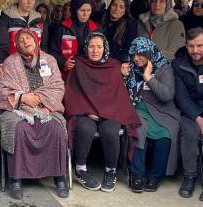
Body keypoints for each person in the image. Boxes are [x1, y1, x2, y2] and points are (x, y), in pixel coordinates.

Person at [0, 29, 68, 200]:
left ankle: (60, 178)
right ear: (16, 45)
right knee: (18, 130)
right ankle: (16, 180)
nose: (25, 41)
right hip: (18, 109)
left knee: (55, 129)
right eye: (21, 40)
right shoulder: (10, 62)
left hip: (45, 107)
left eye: (29, 38)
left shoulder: (49, 60)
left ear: (36, 40)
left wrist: (39, 98)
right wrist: (22, 97)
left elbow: (58, 86)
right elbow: (3, 89)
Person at [64, 32, 141, 192]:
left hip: (109, 111)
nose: (95, 50)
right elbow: (72, 92)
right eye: (91, 46)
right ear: (86, 48)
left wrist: (105, 110)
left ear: (105, 48)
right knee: (85, 128)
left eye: (99, 47)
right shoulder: (78, 64)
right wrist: (87, 111)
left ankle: (111, 171)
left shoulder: (114, 66)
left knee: (111, 130)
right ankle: (80, 169)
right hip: (84, 111)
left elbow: (117, 94)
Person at [122, 37, 180, 193]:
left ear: (150, 53)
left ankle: (155, 177)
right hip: (138, 108)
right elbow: (118, 91)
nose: (137, 58)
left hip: (163, 111)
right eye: (134, 54)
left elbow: (167, 95)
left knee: (165, 135)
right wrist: (121, 75)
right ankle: (137, 174)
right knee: (139, 130)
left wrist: (148, 78)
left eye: (141, 54)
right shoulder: (129, 68)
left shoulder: (164, 68)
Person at [173, 27, 203, 201]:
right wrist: (197, 117)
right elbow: (181, 96)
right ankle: (189, 177)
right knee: (189, 134)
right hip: (190, 111)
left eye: (200, 45)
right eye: (191, 46)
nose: (195, 50)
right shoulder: (178, 64)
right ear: (186, 46)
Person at [0, 0, 49, 76]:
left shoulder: (40, 21)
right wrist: (2, 66)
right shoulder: (5, 19)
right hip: (13, 71)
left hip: (35, 71)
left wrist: (44, 72)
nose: (30, 2)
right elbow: (1, 48)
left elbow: (43, 48)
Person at [48, 0, 100, 80]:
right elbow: (52, 51)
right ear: (75, 10)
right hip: (67, 74)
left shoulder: (96, 29)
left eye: (88, 10)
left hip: (88, 73)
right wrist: (63, 62)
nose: (85, 14)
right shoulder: (62, 28)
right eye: (82, 10)